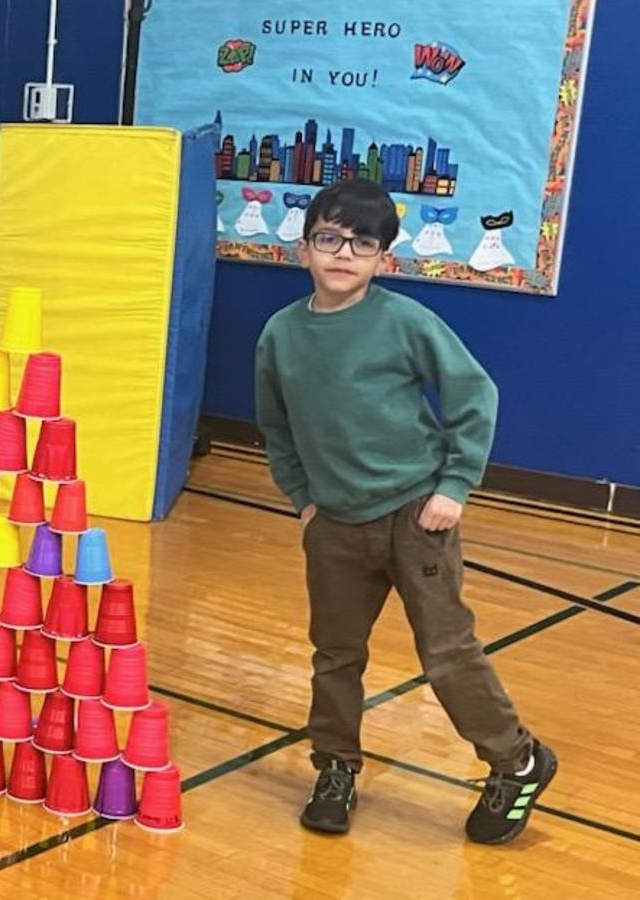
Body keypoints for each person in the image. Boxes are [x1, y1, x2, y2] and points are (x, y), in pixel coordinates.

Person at [255, 178, 554, 843]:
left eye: (360, 243)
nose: (342, 253)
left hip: (415, 518)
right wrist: (303, 502)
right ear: (303, 249)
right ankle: (334, 766)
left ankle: (516, 759)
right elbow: (274, 429)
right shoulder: (279, 335)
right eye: (328, 239)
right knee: (334, 656)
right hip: (332, 524)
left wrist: (454, 485)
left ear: (383, 259)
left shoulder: (405, 321)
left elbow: (474, 395)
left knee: (446, 653)